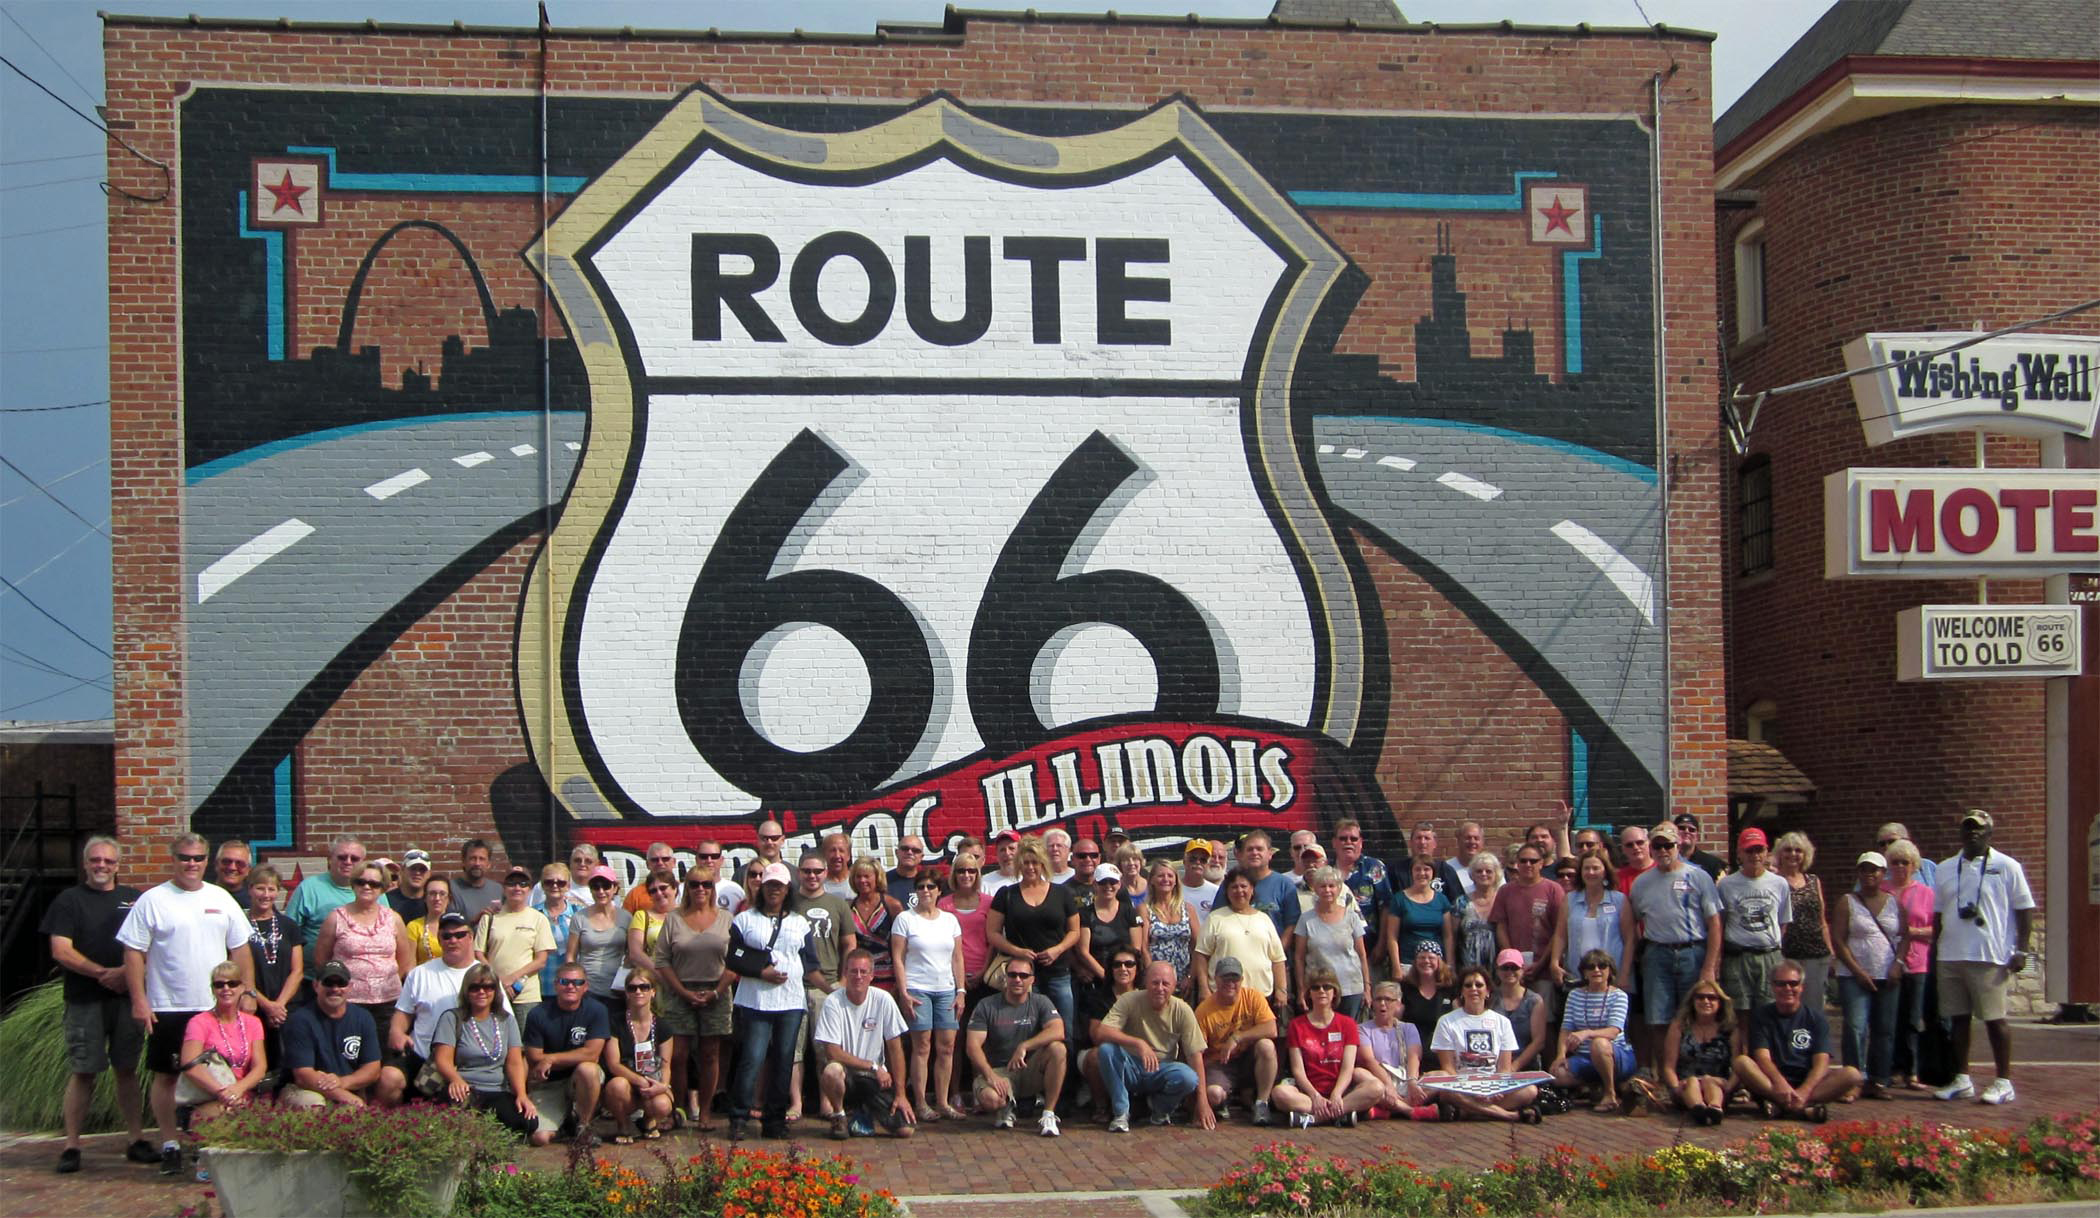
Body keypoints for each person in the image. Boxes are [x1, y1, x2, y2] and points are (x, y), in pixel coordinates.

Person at [117, 832, 254, 1175]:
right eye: (184, 857)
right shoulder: (153, 900)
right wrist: (139, 1000)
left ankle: (205, 1147)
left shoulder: (221, 898)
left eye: (197, 858)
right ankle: (169, 1144)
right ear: (173, 859)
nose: (191, 864)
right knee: (166, 1076)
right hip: (167, 1005)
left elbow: (240, 949)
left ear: (207, 861)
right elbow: (134, 952)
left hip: (215, 1007)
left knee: (218, 1077)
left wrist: (246, 993)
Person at [42, 835, 153, 1174]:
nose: (101, 866)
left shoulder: (135, 900)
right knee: (83, 1070)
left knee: (126, 1069)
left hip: (126, 998)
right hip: (84, 999)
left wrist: (126, 973)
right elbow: (60, 949)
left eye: (108, 861)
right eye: (95, 860)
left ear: (118, 865)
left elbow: (153, 945)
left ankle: (135, 1139)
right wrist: (102, 973)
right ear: (85, 863)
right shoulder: (68, 900)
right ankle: (72, 1145)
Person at [1930, 809, 2033, 1105]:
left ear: (1989, 834)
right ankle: (1962, 1078)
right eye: (1967, 828)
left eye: (1979, 829)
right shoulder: (1945, 868)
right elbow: (1938, 913)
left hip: (1990, 954)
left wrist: (2021, 949)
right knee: (1958, 1019)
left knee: (1994, 1019)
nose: (1972, 833)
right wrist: (1936, 951)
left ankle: (2004, 1081)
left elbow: (2024, 909)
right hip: (1951, 953)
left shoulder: (2007, 866)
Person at [727, 862, 815, 1140]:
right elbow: (732, 957)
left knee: (783, 1060)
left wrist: (833, 987)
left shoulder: (800, 923)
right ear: (761, 887)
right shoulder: (744, 920)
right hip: (755, 1001)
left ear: (787, 888)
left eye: (779, 885)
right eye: (769, 885)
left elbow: (810, 963)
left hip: (790, 1002)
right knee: (752, 1058)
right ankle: (739, 1117)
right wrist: (760, 972)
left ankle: (775, 1120)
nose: (774, 890)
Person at [1094, 961, 1216, 1131]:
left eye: (1165, 984)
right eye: (1155, 982)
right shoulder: (1129, 1000)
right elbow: (1103, 1031)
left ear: (1174, 986)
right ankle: (1121, 1113)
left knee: (1188, 1077)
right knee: (1106, 1050)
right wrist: (1138, 1043)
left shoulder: (1183, 1010)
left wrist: (1202, 1102)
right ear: (1145, 983)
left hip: (1161, 1069)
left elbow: (1195, 1055)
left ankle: (1159, 1110)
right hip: (1130, 1065)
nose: (1160, 988)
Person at [653, 867, 731, 1129]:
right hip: (680, 990)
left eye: (706, 885)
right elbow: (662, 960)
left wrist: (717, 991)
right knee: (678, 1055)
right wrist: (682, 992)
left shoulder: (726, 919)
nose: (700, 889)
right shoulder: (674, 919)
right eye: (695, 884)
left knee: (710, 1054)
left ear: (712, 888)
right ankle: (678, 1110)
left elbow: (735, 962)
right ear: (687, 888)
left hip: (716, 990)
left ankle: (706, 1112)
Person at [1629, 821, 1722, 1038]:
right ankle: (1663, 1071)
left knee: (1693, 1015)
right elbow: (1632, 921)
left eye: (1667, 846)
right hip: (1657, 954)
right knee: (1658, 1018)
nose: (1663, 851)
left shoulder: (1698, 877)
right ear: (1650, 848)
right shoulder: (1642, 883)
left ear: (1677, 845)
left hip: (1693, 953)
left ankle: (1689, 1068)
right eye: (1657, 846)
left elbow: (1715, 923)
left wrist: (1709, 967)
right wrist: (1640, 951)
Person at [986, 837, 1082, 1045]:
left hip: (1058, 972)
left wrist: (1058, 949)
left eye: (1035, 862)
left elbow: (1075, 931)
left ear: (1043, 864)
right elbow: (992, 932)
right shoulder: (1007, 894)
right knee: (1026, 1028)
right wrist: (1016, 951)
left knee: (1064, 1028)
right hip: (1022, 974)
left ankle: (1067, 1075)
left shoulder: (1061, 893)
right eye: (1026, 862)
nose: (1030, 867)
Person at [1736, 960, 1859, 1121]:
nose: (1787, 989)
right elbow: (1762, 1058)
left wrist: (1804, 1091)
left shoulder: (1816, 1019)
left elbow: (1821, 1063)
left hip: (1808, 1083)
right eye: (1781, 984)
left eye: (1793, 983)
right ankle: (1801, 1109)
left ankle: (1786, 1106)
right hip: (1772, 1082)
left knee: (1852, 1074)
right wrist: (1781, 1084)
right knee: (1742, 1062)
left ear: (1802, 987)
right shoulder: (1761, 1016)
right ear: (1773, 987)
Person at [815, 949, 919, 1139]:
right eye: (853, 971)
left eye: (863, 972)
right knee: (831, 1071)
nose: (858, 977)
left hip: (875, 1080)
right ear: (845, 973)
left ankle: (864, 1113)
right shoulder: (833, 1002)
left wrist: (901, 1095)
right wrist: (873, 1066)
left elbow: (896, 1049)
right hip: (847, 1076)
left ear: (872, 975)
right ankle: (839, 1116)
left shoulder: (884, 1000)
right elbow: (832, 1052)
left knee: (906, 1131)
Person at [431, 961, 539, 1135]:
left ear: (495, 991)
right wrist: (455, 1079)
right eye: (475, 987)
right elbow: (442, 1059)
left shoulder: (506, 1020)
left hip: (497, 1089)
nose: (482, 992)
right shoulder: (452, 1018)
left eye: (488, 987)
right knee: (461, 1114)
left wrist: (521, 1094)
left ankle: (485, 1132)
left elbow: (515, 1063)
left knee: (528, 1122)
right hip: (465, 1086)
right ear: (467, 991)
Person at [965, 953, 1068, 1136]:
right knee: (990, 1100)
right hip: (999, 1071)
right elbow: (972, 1046)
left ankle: (1048, 1114)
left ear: (1032, 980)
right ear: (1005, 977)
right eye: (1012, 975)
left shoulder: (1040, 1002)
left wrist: (1024, 1046)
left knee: (1058, 1049)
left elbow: (1058, 1030)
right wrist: (990, 1076)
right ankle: (1006, 1107)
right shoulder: (986, 1005)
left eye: (1023, 976)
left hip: (1029, 1069)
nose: (1017, 980)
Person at [381, 911, 477, 1105]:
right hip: (421, 1055)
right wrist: (397, 1031)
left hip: (465, 1060)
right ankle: (391, 1127)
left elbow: (501, 1019)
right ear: (439, 939)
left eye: (459, 935)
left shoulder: (483, 975)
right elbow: (403, 1012)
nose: (453, 940)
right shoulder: (420, 973)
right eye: (446, 936)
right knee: (388, 1077)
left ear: (470, 938)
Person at [892, 873, 966, 1121]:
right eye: (921, 887)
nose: (925, 890)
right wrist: (903, 992)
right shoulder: (905, 919)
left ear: (938, 891)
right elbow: (898, 958)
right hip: (917, 988)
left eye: (930, 886)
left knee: (947, 1047)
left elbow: (957, 958)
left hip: (946, 989)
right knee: (921, 1047)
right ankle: (922, 1102)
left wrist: (961, 991)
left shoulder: (950, 920)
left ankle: (943, 1102)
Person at [1270, 965, 1383, 1128]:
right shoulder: (1297, 1025)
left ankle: (1314, 1119)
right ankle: (1339, 1115)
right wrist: (1315, 1096)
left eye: (1327, 986)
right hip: (1309, 1092)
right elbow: (1298, 1071)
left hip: (1341, 1091)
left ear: (1334, 992)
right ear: (1309, 993)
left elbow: (1347, 1068)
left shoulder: (1347, 1024)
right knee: (1279, 1094)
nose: (1321, 991)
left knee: (1376, 1087)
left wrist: (1337, 1094)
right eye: (1316, 987)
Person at [789, 850, 855, 1124]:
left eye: (817, 871)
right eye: (807, 871)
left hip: (826, 987)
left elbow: (849, 944)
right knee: (793, 1050)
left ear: (826, 873)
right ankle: (796, 1103)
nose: (812, 876)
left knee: (823, 1048)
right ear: (799, 873)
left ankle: (827, 1101)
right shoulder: (789, 902)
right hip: (791, 987)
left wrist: (841, 981)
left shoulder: (837, 904)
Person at [1832, 850, 1903, 1099]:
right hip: (1854, 976)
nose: (1869, 874)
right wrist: (1858, 971)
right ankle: (1853, 1079)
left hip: (1887, 974)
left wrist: (1899, 963)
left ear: (1883, 873)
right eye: (1864, 869)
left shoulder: (1894, 902)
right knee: (1855, 1027)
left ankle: (1878, 1079)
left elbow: (1903, 936)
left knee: (1884, 1029)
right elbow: (1838, 941)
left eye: (1874, 869)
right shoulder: (1848, 901)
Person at [1429, 965, 1539, 1122]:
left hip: (1493, 1086)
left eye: (1479, 985)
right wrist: (1472, 1090)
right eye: (1468, 985)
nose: (1473, 989)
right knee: (1446, 1092)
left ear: (1487, 991)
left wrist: (1497, 1088)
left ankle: (1469, 1112)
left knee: (1530, 1091)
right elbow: (1448, 1068)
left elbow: (1504, 1068)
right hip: (1461, 1086)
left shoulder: (1502, 1022)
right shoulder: (1446, 1022)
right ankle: (1508, 1115)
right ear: (1461, 991)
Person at [314, 861, 413, 1032]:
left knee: (385, 1053)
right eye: (361, 882)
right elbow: (322, 959)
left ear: (383, 888)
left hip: (387, 1001)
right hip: (348, 1001)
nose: (367, 887)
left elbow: (405, 960)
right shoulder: (336, 917)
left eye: (374, 884)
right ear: (353, 884)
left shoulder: (394, 918)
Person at [177, 959, 269, 1139]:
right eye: (220, 985)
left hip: (244, 1094)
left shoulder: (253, 1023)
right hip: (208, 1096)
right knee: (219, 1118)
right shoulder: (199, 1022)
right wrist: (223, 1093)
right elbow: (189, 1064)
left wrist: (237, 1090)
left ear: (242, 987)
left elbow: (260, 1067)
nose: (226, 989)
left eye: (232, 983)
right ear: (213, 989)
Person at [524, 962, 610, 1146]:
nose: (571, 986)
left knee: (588, 1070)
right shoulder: (538, 1014)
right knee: (539, 1138)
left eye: (577, 982)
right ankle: (565, 1126)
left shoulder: (597, 1010)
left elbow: (592, 1054)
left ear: (585, 986)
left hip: (581, 1079)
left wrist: (551, 1058)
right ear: (555, 985)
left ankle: (584, 1127)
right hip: (550, 1083)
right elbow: (533, 1056)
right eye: (565, 981)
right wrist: (551, 1059)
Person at [279, 960, 383, 1109]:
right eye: (328, 983)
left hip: (348, 1087)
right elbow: (303, 1075)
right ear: (316, 986)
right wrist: (345, 1096)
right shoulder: (300, 1020)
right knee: (315, 1104)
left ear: (350, 987)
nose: (335, 989)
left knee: (352, 1111)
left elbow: (372, 1068)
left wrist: (342, 1082)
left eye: (341, 983)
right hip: (305, 1089)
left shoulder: (363, 1018)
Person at [1192, 955, 1280, 1125]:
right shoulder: (1203, 1011)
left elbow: (1272, 1029)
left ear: (1242, 979)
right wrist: (1199, 1101)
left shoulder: (1253, 997)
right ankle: (1223, 1101)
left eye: (1235, 978)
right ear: (1215, 979)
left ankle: (1262, 1103)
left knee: (1266, 1046)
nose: (1230, 983)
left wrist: (1237, 1037)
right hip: (1220, 1063)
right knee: (1214, 1094)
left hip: (1248, 1058)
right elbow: (1197, 1054)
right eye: (1225, 977)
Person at [1716, 827, 1791, 1016]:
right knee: (1739, 1013)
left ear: (1767, 852)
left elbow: (1783, 922)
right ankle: (1742, 1047)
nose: (1755, 855)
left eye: (1759, 850)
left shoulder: (1780, 883)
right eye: (1749, 850)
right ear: (1739, 853)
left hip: (1770, 956)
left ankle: (1764, 1047)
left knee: (1770, 1011)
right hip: (1738, 957)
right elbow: (1720, 923)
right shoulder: (1726, 885)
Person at [1882, 839, 1937, 1091]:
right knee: (1891, 1017)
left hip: (1917, 962)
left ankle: (1913, 1070)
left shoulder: (1926, 893)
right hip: (1886, 961)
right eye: (1895, 862)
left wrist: (1911, 931)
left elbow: (1935, 929)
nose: (1900, 866)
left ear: (1914, 865)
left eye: (1905, 862)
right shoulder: (1882, 891)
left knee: (1914, 1018)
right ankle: (1892, 1067)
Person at [1551, 949, 1633, 1112]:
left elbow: (1613, 1031)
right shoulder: (1574, 995)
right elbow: (1566, 1029)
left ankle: (1610, 1093)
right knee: (1557, 1075)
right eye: (1591, 967)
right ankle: (1595, 1087)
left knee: (1599, 1044)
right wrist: (1561, 1055)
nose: (1596, 970)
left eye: (1602, 966)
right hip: (1585, 1057)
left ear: (1610, 971)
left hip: (1616, 1055)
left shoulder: (1619, 996)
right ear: (1584, 972)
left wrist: (1586, 1033)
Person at [1192, 869, 1288, 1008]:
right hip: (1223, 997)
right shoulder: (1215, 918)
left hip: (1261, 998)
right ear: (1227, 891)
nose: (1239, 891)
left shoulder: (1264, 919)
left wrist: (1281, 990)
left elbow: (1278, 959)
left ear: (1252, 890)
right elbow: (1201, 955)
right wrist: (1204, 988)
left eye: (1244, 886)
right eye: (1234, 887)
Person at [475, 864, 557, 1025]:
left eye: (523, 884)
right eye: (512, 883)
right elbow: (478, 954)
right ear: (504, 888)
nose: (517, 888)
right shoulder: (490, 917)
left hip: (526, 996)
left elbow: (541, 960)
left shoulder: (538, 918)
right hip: (493, 992)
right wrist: (498, 981)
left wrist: (512, 979)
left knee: (525, 1045)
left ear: (530, 889)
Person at [241, 865, 301, 1083]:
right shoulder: (239, 924)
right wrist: (266, 1005)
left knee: (285, 1065)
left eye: (271, 889)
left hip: (285, 1007)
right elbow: (236, 971)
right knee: (255, 1062)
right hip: (253, 1006)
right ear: (249, 889)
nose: (266, 895)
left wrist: (279, 1005)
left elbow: (297, 970)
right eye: (260, 888)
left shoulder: (289, 925)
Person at [602, 966, 674, 1142]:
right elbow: (613, 1064)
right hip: (627, 1081)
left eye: (644, 987)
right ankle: (623, 1125)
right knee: (616, 1086)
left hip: (653, 1080)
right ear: (626, 993)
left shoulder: (663, 1026)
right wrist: (640, 1081)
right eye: (632, 988)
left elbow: (666, 1065)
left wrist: (663, 1085)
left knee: (662, 1105)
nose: (638, 992)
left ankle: (649, 1121)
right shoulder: (616, 1022)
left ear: (653, 992)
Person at [1295, 865, 1372, 1019]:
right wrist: (1301, 989)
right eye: (1322, 886)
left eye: (1332, 886)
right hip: (1319, 990)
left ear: (1339, 888)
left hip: (1351, 988)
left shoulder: (1351, 917)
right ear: (1316, 889)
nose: (1327, 890)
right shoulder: (1306, 920)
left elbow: (1362, 955)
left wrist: (1367, 988)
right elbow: (1299, 957)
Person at [1660, 979, 1740, 1126]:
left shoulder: (1730, 1029)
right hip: (1685, 1087)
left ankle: (1715, 1109)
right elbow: (1668, 1066)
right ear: (1692, 1001)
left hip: (1719, 1085)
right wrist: (1676, 1087)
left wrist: (1729, 1086)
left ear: (1720, 1002)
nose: (1705, 1001)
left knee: (1709, 1080)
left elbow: (1737, 1064)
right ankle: (1698, 1109)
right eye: (1700, 997)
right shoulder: (1679, 1026)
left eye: (1712, 997)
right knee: (1693, 1081)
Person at [283, 836, 363, 979]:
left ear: (362, 862)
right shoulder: (309, 888)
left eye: (354, 858)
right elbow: (288, 934)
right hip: (312, 979)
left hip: (362, 981)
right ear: (330, 859)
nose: (348, 862)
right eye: (342, 857)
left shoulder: (373, 890)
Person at [1490, 843, 1566, 990]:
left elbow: (1559, 931)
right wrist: (1513, 960)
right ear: (1517, 863)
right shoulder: (1505, 891)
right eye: (1523, 861)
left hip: (1544, 972)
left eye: (1533, 861)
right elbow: (1501, 926)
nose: (1528, 864)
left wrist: (1541, 963)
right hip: (1512, 972)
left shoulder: (1554, 890)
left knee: (1543, 1011)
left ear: (1542, 863)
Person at [1553, 852, 1633, 992]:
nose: (1591, 872)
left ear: (1605, 871)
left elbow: (1630, 939)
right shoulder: (1570, 900)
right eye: (1586, 868)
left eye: (1596, 868)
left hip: (1612, 976)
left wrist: (1625, 974)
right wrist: (1554, 962)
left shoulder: (1619, 900)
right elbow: (1560, 935)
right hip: (1578, 975)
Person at [1773, 831, 1833, 1014]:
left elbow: (1821, 919)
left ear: (1805, 854)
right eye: (1788, 850)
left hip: (1815, 953)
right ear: (1780, 854)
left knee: (1813, 1009)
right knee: (1786, 1008)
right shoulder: (1774, 882)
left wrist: (1831, 951)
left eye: (1798, 850)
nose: (1793, 854)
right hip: (1786, 954)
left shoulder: (1814, 881)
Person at [1077, 863, 1146, 1008]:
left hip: (1126, 980)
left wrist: (1121, 977)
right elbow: (1083, 951)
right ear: (1095, 885)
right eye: (1103, 882)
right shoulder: (1085, 914)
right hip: (1096, 981)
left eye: (1113, 882)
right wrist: (1106, 976)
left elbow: (1136, 949)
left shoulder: (1129, 912)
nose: (1108, 886)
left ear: (1119, 884)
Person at [1360, 980, 1431, 1118]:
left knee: (1440, 1076)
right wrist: (1388, 1085)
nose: (1382, 1003)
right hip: (1380, 1080)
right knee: (1359, 1073)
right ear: (1372, 1003)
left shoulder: (1408, 1028)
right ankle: (1409, 1111)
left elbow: (1414, 1056)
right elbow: (1368, 1060)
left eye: (1388, 999)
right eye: (1378, 999)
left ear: (1398, 1004)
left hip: (1405, 1078)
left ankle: (1388, 1109)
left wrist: (1412, 1081)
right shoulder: (1362, 1029)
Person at [1382, 856, 1455, 987]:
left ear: (1433, 873)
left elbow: (1448, 935)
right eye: (1417, 869)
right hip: (1408, 963)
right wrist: (1396, 966)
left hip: (1436, 964)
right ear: (1412, 873)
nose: (1422, 873)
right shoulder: (1399, 899)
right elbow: (1392, 936)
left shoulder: (1442, 900)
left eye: (1426, 869)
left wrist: (1449, 964)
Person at [567, 865, 633, 1004]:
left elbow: (632, 954)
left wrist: (625, 981)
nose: (601, 891)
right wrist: (574, 984)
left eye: (606, 886)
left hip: (618, 990)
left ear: (615, 888)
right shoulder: (579, 917)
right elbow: (571, 956)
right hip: (588, 990)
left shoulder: (626, 917)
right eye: (595, 886)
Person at [1143, 859, 1202, 998]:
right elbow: (1143, 947)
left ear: (1176, 881)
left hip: (1184, 980)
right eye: (1160, 876)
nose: (1166, 879)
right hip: (1157, 982)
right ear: (1151, 880)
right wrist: (1153, 977)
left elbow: (1197, 946)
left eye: (1170, 876)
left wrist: (1190, 977)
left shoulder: (1188, 909)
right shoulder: (1144, 910)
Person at [1488, 948, 1550, 1072]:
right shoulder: (1489, 998)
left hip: (1525, 1066)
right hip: (1492, 1065)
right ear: (1497, 971)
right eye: (1505, 967)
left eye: (1514, 967)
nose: (1510, 971)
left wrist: (1514, 1066)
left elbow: (1539, 1041)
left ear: (1522, 969)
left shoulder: (1534, 1001)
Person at [846, 856, 902, 993]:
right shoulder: (848, 907)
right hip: (859, 977)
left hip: (888, 978)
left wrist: (900, 982)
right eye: (858, 877)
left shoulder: (892, 905)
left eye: (867, 876)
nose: (862, 880)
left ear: (877, 878)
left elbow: (902, 946)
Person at [1234, 831, 1301, 938]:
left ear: (1270, 854)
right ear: (1242, 855)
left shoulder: (1284, 884)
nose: (1254, 853)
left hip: (1273, 951)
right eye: (1250, 849)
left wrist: (1279, 951)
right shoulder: (1231, 884)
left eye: (1259, 849)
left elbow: (1291, 925)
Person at [531, 863, 580, 1001]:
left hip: (570, 987)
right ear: (542, 885)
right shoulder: (533, 914)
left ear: (568, 886)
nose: (555, 886)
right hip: (541, 985)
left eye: (561, 882)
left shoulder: (579, 914)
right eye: (549, 882)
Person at [1332, 819, 1391, 933]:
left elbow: (1386, 907)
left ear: (1360, 842)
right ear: (1334, 842)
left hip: (1369, 941)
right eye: (1343, 838)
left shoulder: (1374, 867)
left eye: (1353, 839)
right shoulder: (1327, 871)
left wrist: (1381, 945)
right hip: (1335, 941)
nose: (1348, 842)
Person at [1400, 941, 1454, 1051]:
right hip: (1411, 1047)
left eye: (1431, 957)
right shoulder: (1405, 988)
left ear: (1439, 961)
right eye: (1422, 957)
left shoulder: (1450, 988)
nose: (1426, 961)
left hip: (1442, 1047)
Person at [1457, 851, 1503, 973]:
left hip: (1499, 966)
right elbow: (1452, 936)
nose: (1483, 874)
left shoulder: (1503, 901)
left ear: (1496, 874)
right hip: (1467, 965)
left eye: (1488, 871)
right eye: (1479, 871)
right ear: (1472, 875)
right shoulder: (1462, 902)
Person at [1401, 823, 1467, 905]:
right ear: (1410, 843)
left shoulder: (1445, 870)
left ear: (1434, 844)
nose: (1422, 842)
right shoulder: (1397, 870)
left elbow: (1459, 902)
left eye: (1427, 838)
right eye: (1418, 838)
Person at [625, 869, 678, 969]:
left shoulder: (687, 913)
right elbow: (636, 954)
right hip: (655, 977)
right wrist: (662, 975)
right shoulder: (641, 916)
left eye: (663, 888)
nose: (658, 893)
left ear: (674, 888)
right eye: (653, 891)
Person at [530, 844, 598, 914]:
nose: (582, 864)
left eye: (588, 861)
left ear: (596, 864)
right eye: (577, 860)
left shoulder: (601, 890)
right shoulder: (546, 884)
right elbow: (530, 911)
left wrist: (580, 906)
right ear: (570, 862)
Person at [405, 875, 454, 964]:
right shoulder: (414, 926)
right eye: (432, 893)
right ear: (425, 898)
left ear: (449, 898)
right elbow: (409, 964)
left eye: (442, 894)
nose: (437, 898)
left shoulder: (458, 926)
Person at [449, 839, 502, 922]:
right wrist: (475, 921)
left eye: (482, 859)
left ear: (489, 864)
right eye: (473, 858)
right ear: (463, 861)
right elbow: (447, 926)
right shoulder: (450, 889)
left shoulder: (498, 890)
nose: (477, 863)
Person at [622, 843, 681, 914]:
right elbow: (624, 921)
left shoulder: (686, 889)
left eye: (665, 859)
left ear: (674, 862)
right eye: (655, 860)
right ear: (647, 864)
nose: (660, 863)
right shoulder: (635, 895)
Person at [1876, 822, 1937, 886]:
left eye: (1891, 841)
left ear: (1906, 841)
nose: (1887, 846)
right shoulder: (1878, 872)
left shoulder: (1927, 866)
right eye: (1882, 844)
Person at [1674, 812, 1726, 880]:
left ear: (1697, 836)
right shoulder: (1666, 861)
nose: (1686, 831)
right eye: (1681, 828)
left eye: (1691, 830)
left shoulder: (1712, 864)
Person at [386, 848, 433, 922]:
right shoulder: (386, 900)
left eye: (422, 870)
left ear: (429, 874)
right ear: (402, 870)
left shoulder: (433, 902)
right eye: (413, 868)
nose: (417, 873)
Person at [887, 834, 932, 906]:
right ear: (896, 852)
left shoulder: (928, 883)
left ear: (921, 857)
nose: (910, 852)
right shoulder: (881, 880)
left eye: (916, 850)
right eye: (905, 848)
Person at [1180, 839, 1220, 916]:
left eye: (1203, 860)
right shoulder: (1173, 890)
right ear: (1184, 861)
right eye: (1193, 859)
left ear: (1208, 864)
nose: (1198, 862)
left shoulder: (1216, 892)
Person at [212, 840, 253, 910]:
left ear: (248, 869)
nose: (232, 868)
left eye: (240, 863)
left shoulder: (256, 901)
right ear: (216, 864)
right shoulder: (201, 897)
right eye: (226, 861)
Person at [1614, 825, 1652, 895]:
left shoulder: (1663, 870)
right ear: (1623, 849)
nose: (1635, 847)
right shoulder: (1618, 879)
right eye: (1629, 845)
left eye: (1640, 842)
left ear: (1649, 843)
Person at [1453, 822, 1487, 894]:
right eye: (1467, 838)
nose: (1472, 842)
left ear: (1482, 842)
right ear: (1458, 841)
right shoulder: (1447, 868)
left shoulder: (1491, 869)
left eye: (1476, 838)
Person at [820, 832, 856, 900]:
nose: (837, 855)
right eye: (832, 850)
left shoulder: (858, 882)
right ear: (824, 855)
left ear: (848, 855)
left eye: (841, 850)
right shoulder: (817, 884)